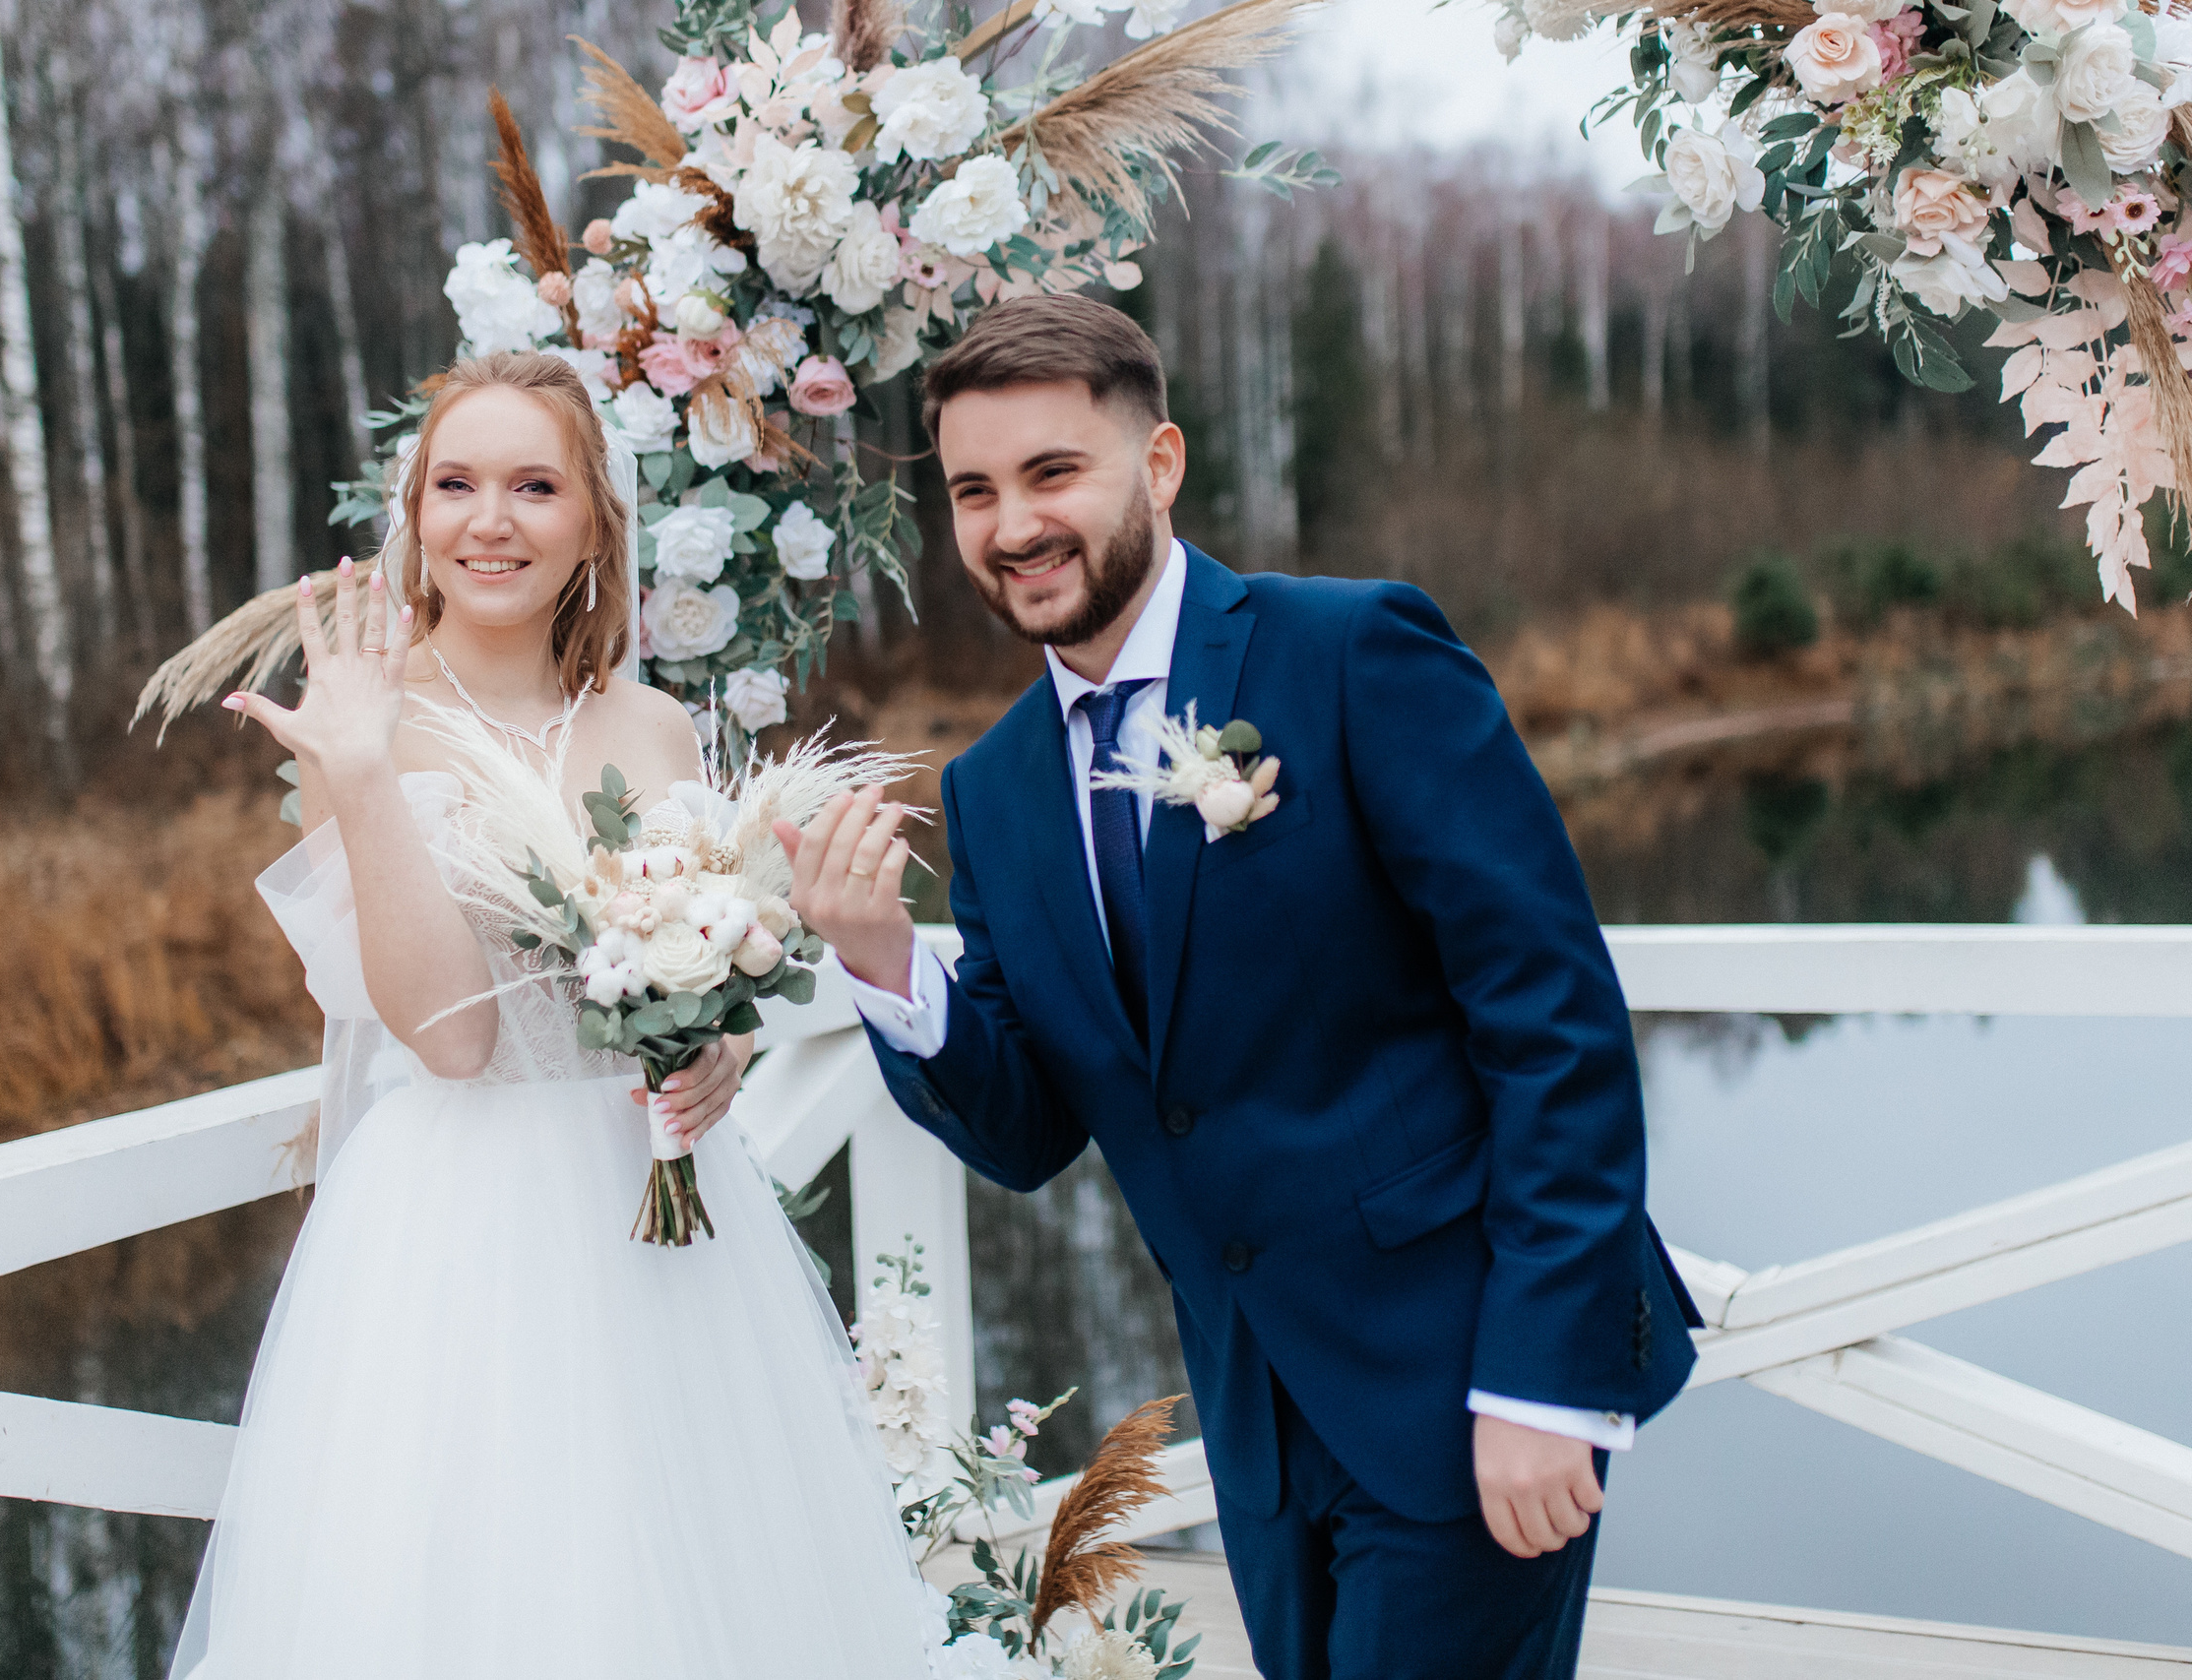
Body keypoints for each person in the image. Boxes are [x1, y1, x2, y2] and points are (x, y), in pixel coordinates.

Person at [778, 296, 1702, 1680]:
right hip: (1259, 1434)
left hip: (1465, 1385)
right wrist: (886, 962)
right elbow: (1036, 1130)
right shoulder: (996, 789)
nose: (1012, 523)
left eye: (1051, 473)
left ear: (1158, 465)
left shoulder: (1351, 656)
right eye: (974, 491)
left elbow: (1552, 1022)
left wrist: (1542, 1378)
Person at [167, 351, 923, 1678]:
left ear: (592, 524)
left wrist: (721, 1047)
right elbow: (448, 1032)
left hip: (665, 1226)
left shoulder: (654, 729)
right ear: (415, 518)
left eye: (533, 485)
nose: (489, 520)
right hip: (462, 1231)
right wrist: (357, 773)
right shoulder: (372, 725)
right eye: (454, 485)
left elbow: (707, 962)